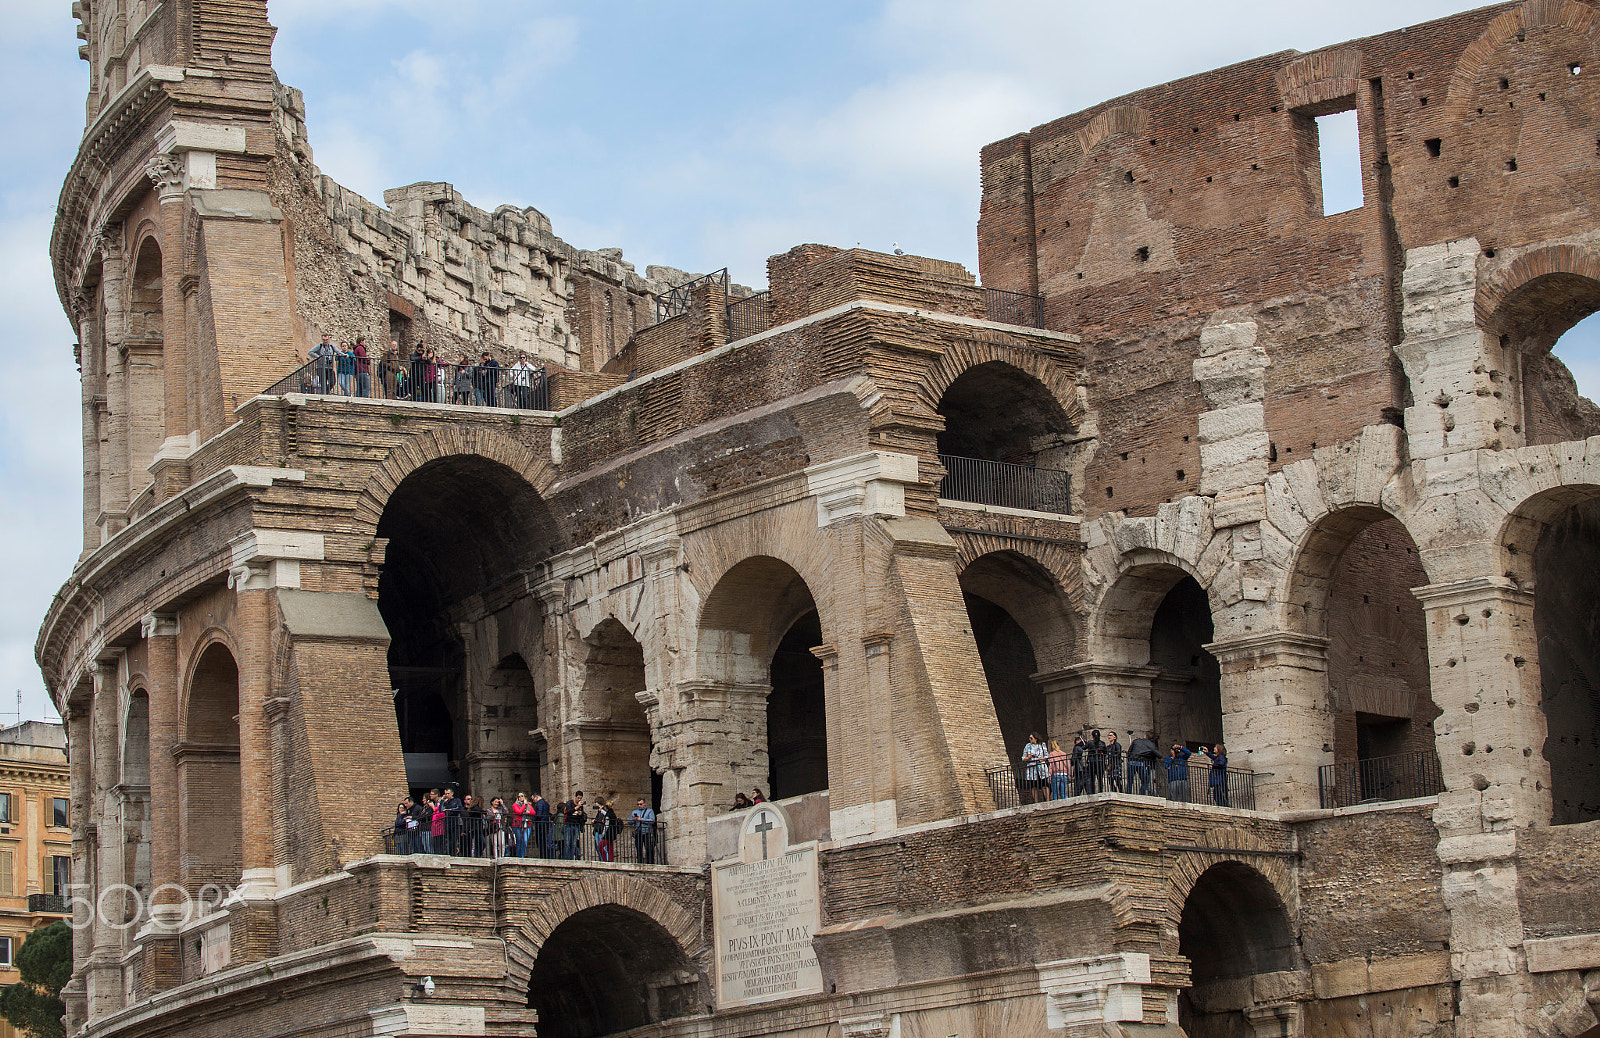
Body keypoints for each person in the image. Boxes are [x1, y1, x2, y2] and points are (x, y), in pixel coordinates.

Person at [1127, 730, 1160, 795]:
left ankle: (1128, 793)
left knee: (1130, 781)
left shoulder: (1136, 741)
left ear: (1145, 735)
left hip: (1131, 762)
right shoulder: (1150, 744)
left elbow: (1129, 752)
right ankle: (1142, 793)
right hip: (1140, 763)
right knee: (1145, 781)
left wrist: (1129, 759)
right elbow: (1159, 755)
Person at [1021, 732, 1048, 804]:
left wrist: (1042, 759)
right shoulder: (1028, 746)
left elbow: (1046, 755)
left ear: (1036, 738)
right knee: (1034, 786)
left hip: (1041, 767)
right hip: (1032, 768)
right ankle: (1036, 802)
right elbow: (1023, 758)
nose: (1029, 739)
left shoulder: (1042, 745)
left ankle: (1047, 800)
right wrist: (1028, 758)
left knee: (1044, 784)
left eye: (1031, 738)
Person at [630, 797, 657, 864]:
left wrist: (641, 819)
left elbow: (652, 820)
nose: (639, 806)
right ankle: (640, 862)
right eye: (638, 804)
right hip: (638, 832)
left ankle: (650, 862)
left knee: (648, 848)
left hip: (646, 832)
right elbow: (629, 822)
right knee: (638, 849)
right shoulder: (634, 812)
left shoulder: (649, 811)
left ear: (644, 804)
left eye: (641, 804)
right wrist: (633, 819)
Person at [561, 791, 586, 860]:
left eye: (580, 798)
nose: (579, 800)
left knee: (573, 844)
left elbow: (582, 815)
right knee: (567, 843)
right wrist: (576, 807)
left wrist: (581, 814)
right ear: (575, 797)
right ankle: (566, 858)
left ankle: (571, 858)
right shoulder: (569, 803)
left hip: (576, 825)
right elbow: (568, 812)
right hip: (568, 825)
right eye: (578, 798)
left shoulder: (581, 806)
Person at [439, 787, 464, 855]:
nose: (447, 795)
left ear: (452, 793)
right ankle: (450, 853)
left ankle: (454, 853)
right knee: (449, 840)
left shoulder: (456, 800)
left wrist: (450, 810)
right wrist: (442, 801)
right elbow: (440, 810)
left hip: (455, 822)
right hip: (448, 823)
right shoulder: (446, 802)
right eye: (445, 794)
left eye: (448, 793)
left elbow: (459, 808)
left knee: (454, 840)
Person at [511, 792, 533, 857]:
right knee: (519, 842)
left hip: (526, 824)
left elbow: (533, 812)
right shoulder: (515, 805)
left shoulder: (528, 804)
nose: (520, 797)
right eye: (519, 796)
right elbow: (519, 812)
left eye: (522, 796)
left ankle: (522, 855)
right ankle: (519, 856)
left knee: (525, 841)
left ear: (524, 797)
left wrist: (528, 812)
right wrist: (524, 805)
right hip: (518, 825)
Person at [1084, 729, 1107, 794]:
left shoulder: (1090, 742)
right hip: (1100, 762)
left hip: (1092, 762)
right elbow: (1106, 752)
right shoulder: (1102, 743)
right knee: (1100, 779)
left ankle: (1093, 792)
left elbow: (1084, 747)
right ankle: (1100, 791)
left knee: (1092, 779)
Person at [532, 792, 553, 857]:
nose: (533, 801)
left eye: (533, 799)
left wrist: (534, 820)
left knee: (540, 841)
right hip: (545, 824)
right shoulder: (546, 803)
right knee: (544, 841)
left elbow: (539, 814)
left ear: (537, 797)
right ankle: (545, 855)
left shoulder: (539, 803)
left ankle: (542, 855)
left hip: (540, 824)